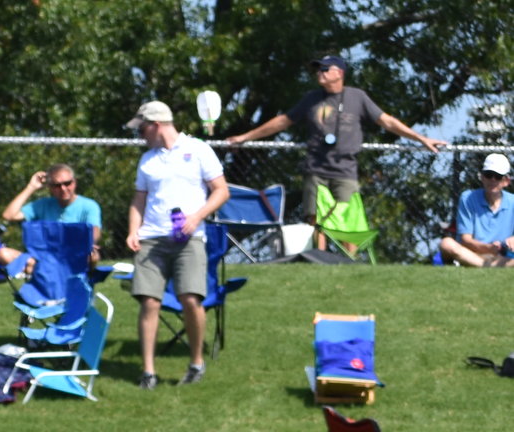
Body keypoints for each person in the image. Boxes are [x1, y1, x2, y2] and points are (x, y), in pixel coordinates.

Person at [224, 56, 444, 254]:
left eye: (324, 69)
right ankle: (319, 259)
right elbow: (283, 121)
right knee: (315, 219)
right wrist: (246, 137)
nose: (319, 73)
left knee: (349, 218)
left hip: (345, 169)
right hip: (316, 169)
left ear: (339, 73)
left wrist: (421, 139)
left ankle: (349, 263)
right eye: (317, 70)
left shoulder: (357, 97)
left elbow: (386, 121)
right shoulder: (311, 98)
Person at [124, 100, 227, 390]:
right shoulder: (147, 160)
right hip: (152, 239)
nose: (140, 134)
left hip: (189, 238)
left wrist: (196, 218)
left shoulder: (198, 150)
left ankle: (196, 362)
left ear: (156, 125)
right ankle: (148, 372)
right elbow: (139, 200)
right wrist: (134, 230)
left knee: (191, 299)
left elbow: (221, 191)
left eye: (142, 128)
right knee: (149, 301)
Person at [0, 162, 102, 275]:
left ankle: (42, 273)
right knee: (3, 254)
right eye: (57, 185)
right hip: (44, 258)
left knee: (93, 256)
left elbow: (95, 231)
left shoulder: (89, 205)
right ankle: (50, 273)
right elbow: (9, 215)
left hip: (74, 256)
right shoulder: (43, 205)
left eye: (67, 183)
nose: (63, 188)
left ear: (74, 183)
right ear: (50, 187)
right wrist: (31, 187)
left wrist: (88, 242)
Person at [440, 153, 514, 267]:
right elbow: (466, 240)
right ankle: (489, 267)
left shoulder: (512, 201)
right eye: (489, 175)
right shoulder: (467, 198)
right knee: (446, 244)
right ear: (482, 177)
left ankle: (486, 266)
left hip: (503, 256)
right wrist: (489, 248)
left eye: (498, 176)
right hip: (472, 254)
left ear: (506, 181)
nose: (492, 180)